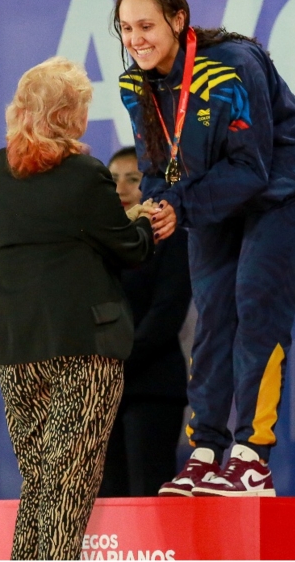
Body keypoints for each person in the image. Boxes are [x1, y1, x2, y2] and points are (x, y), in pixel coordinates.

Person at [114, 0, 295, 497]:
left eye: (146, 25)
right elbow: (153, 170)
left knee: (257, 308)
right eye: (125, 28)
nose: (135, 38)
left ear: (178, 20)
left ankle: (252, 456)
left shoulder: (232, 64)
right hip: (209, 192)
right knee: (212, 316)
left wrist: (178, 204)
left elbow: (252, 168)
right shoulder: (134, 84)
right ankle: (206, 451)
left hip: (278, 185)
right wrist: (156, 208)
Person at [0, 56, 155, 560]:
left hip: (15, 347)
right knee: (68, 485)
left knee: (39, 481)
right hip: (83, 345)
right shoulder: (85, 174)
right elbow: (130, 248)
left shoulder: (0, 169)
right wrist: (145, 220)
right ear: (67, 114)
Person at [98, 146, 192, 498]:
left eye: (132, 179)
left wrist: (116, 358)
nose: (120, 189)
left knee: (147, 492)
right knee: (108, 498)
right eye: (112, 180)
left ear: (151, 185)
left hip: (151, 385)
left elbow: (167, 313)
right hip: (102, 389)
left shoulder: (171, 238)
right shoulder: (95, 240)